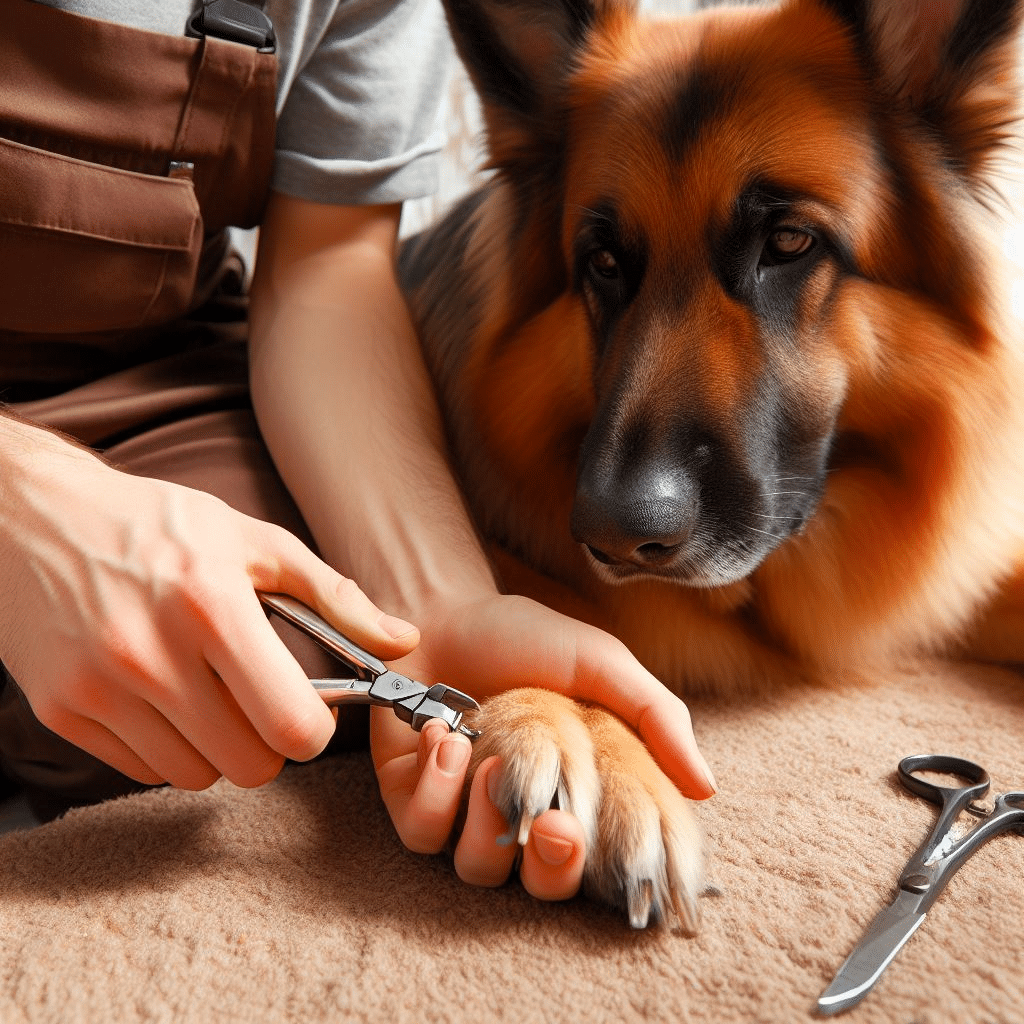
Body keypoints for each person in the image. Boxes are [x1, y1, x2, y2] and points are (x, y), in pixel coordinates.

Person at [0, 0, 715, 905]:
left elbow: (328, 265)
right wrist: (20, 506)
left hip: (149, 363)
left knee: (247, 663)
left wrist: (436, 607)